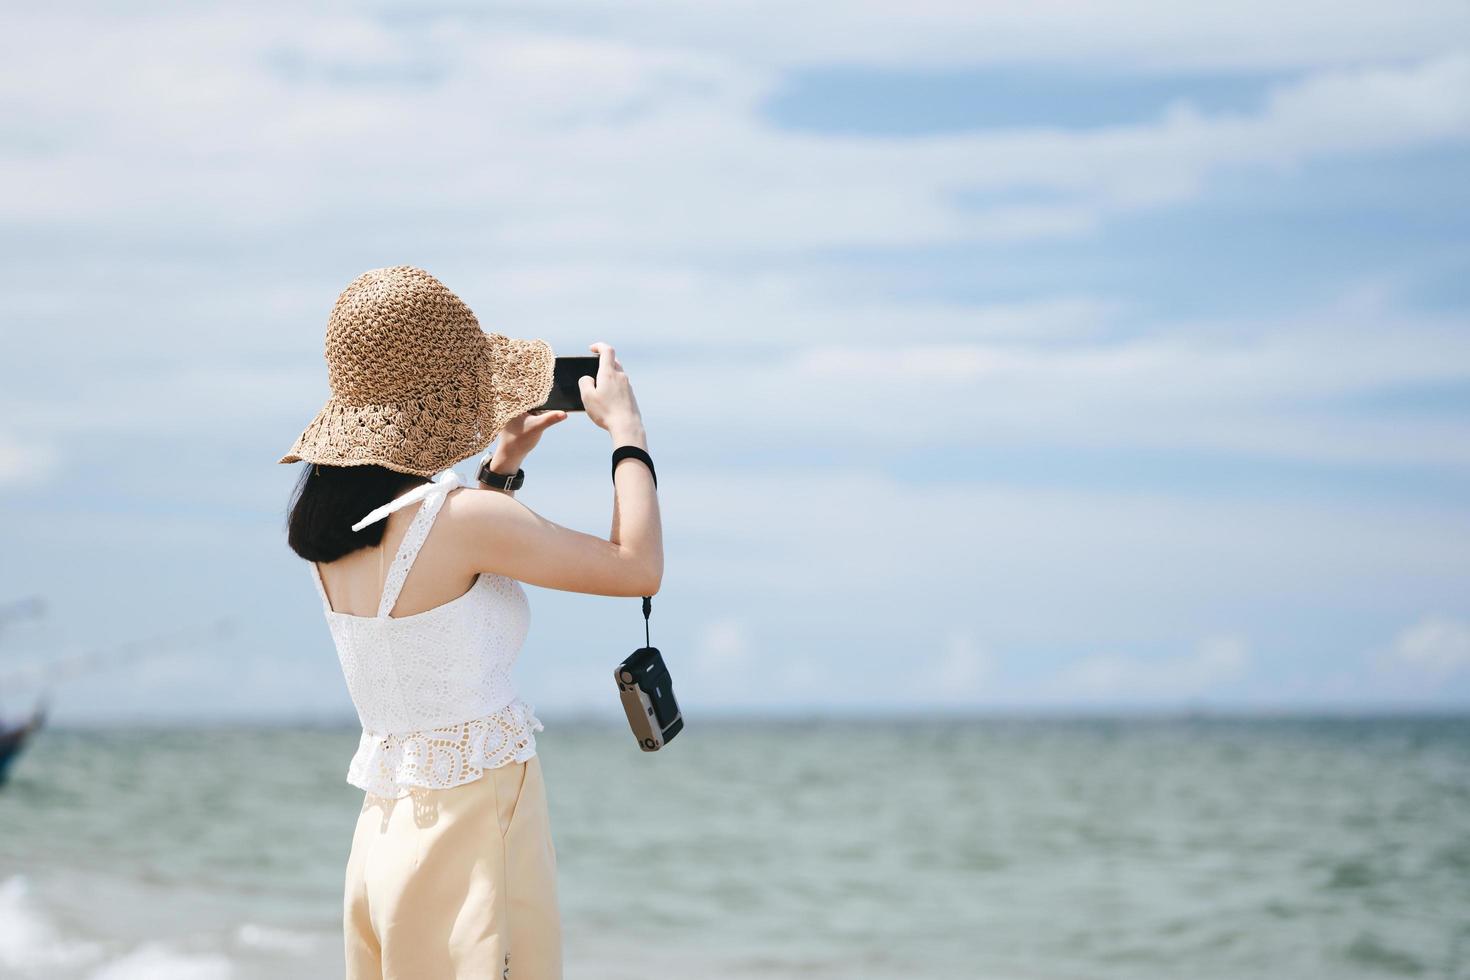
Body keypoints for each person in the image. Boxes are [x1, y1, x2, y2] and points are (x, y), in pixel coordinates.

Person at [279, 265, 662, 979]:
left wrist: (501, 474)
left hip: (387, 835)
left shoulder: (336, 536)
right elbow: (636, 567)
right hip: (473, 833)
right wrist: (628, 434)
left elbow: (438, 581)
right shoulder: (460, 520)